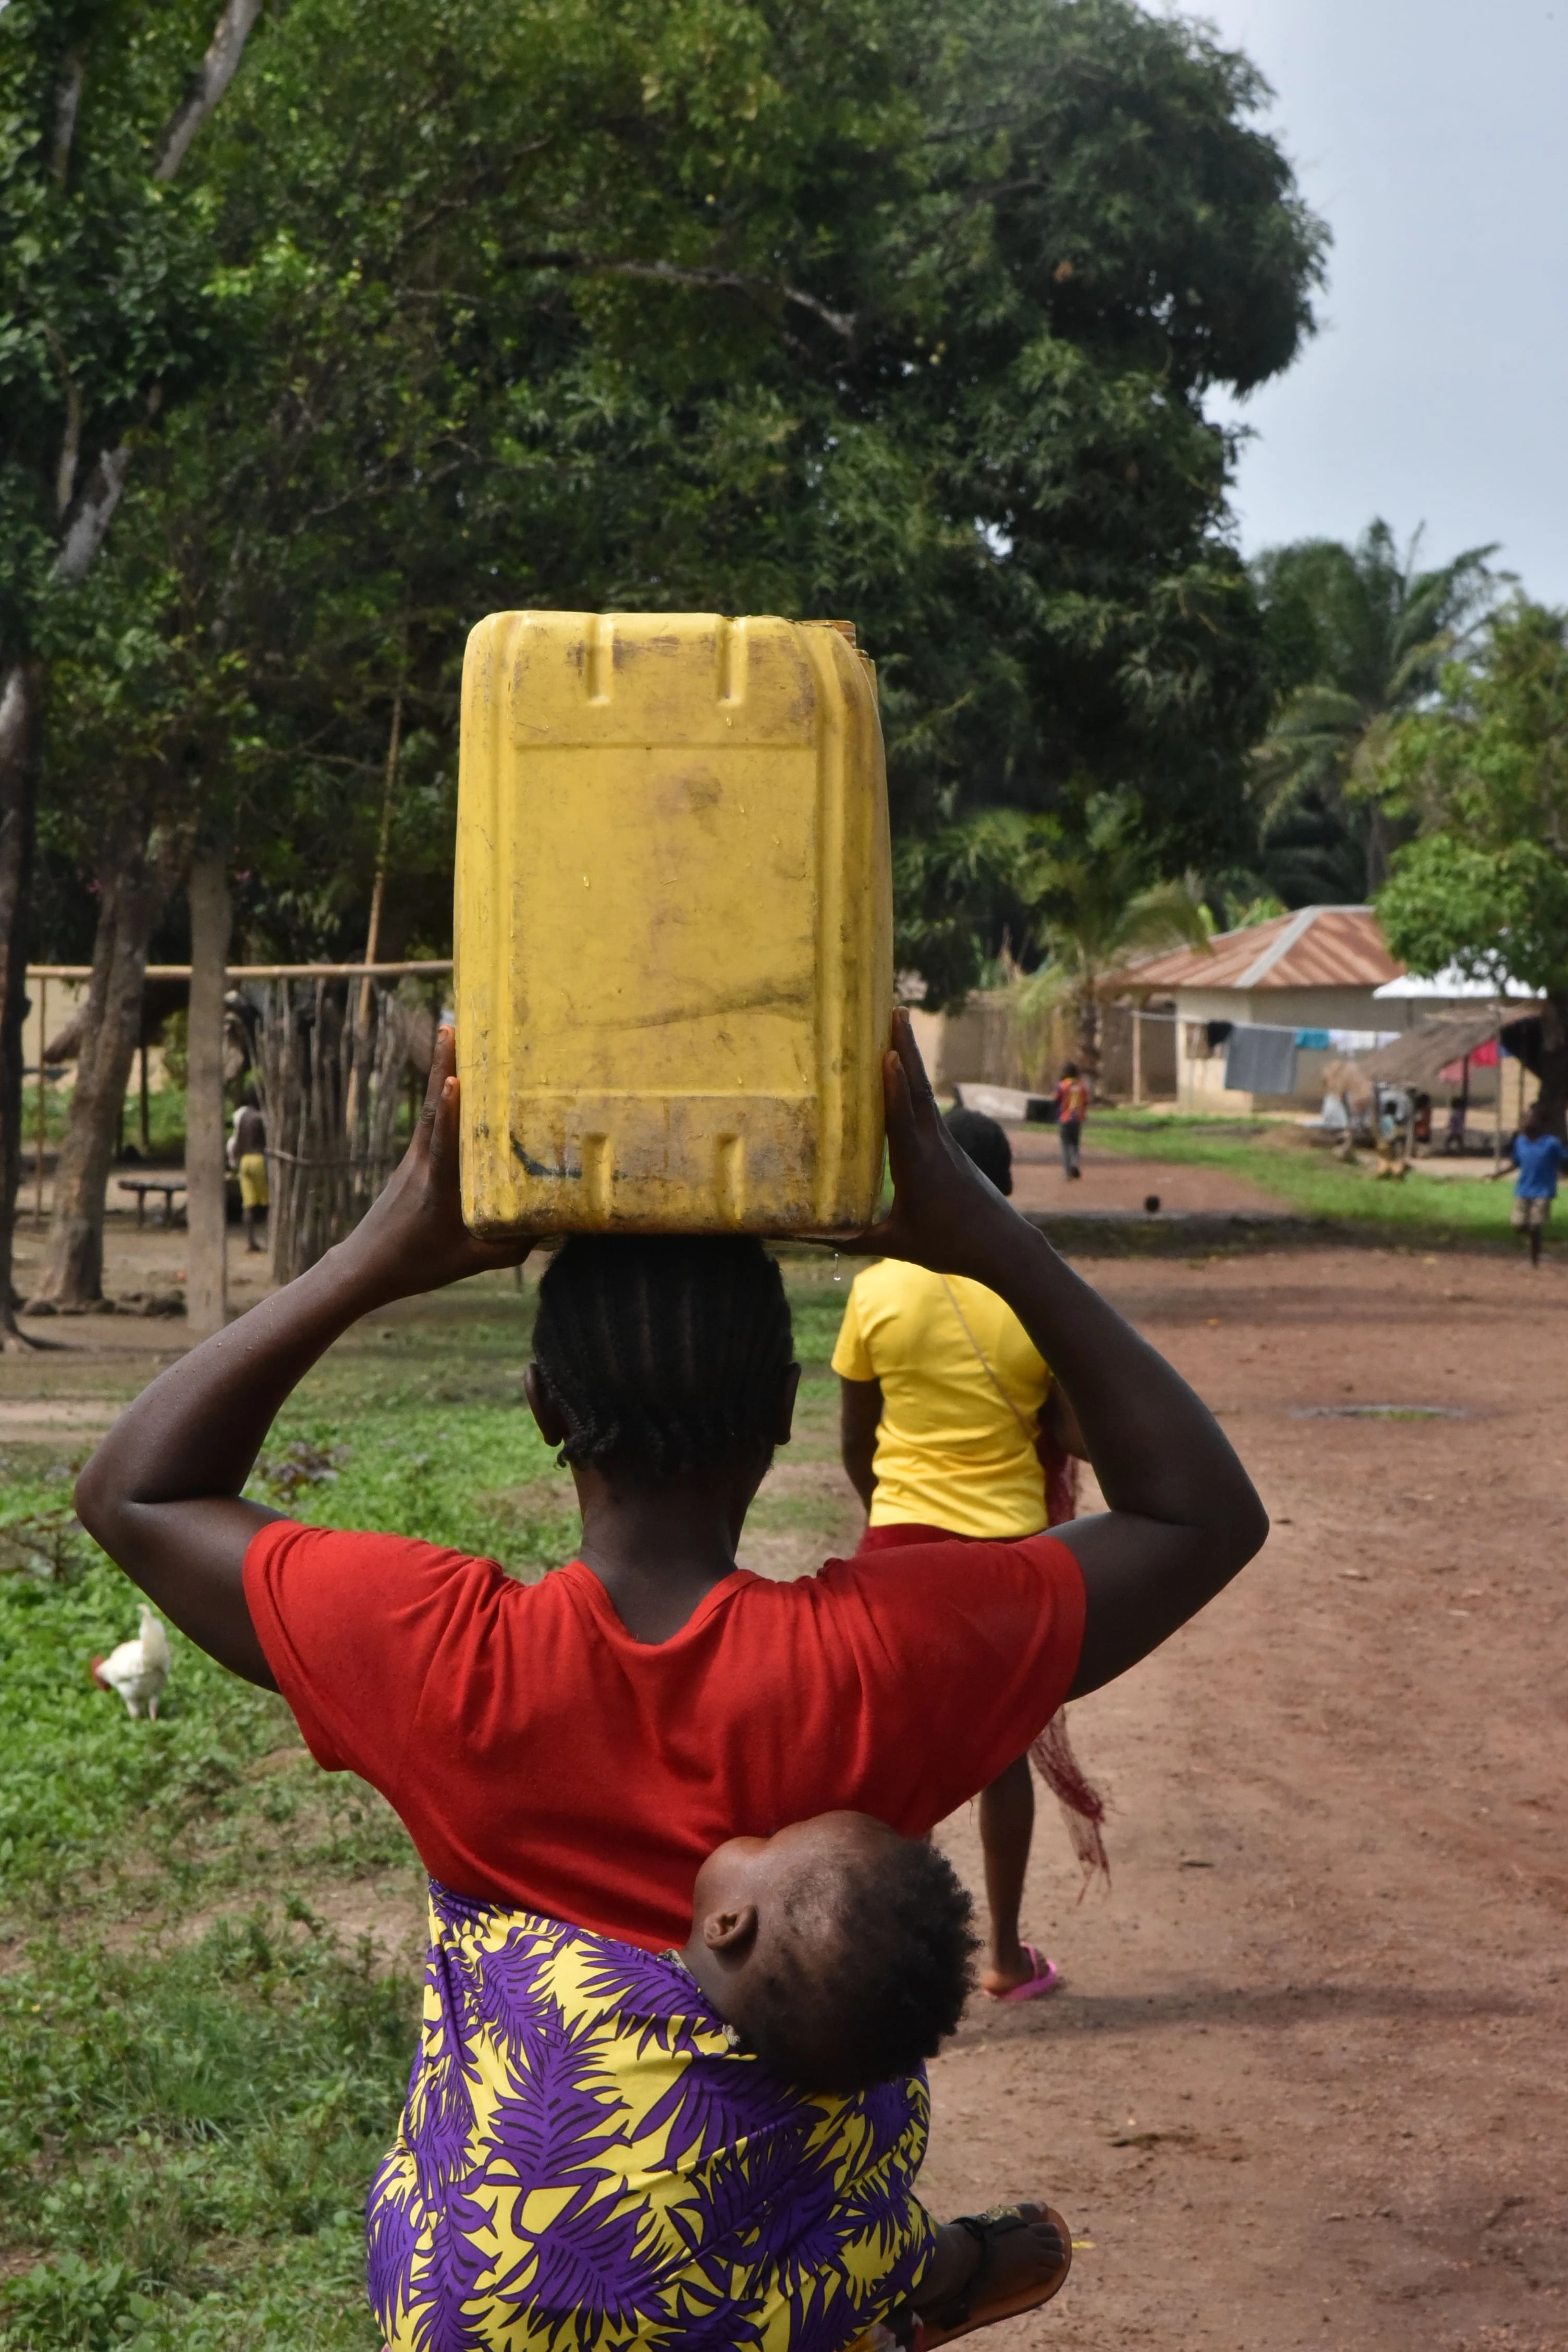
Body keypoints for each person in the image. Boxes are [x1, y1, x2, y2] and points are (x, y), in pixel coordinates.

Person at [75, 1018, 1268, 2352]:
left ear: (539, 1406)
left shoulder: (438, 1656)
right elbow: (1198, 1517)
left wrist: (377, 1255)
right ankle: (904, 2277)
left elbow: (134, 1487)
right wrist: (988, 1236)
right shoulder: (886, 1662)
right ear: (779, 1412)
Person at [834, 1107, 1093, 2003]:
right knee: (1000, 1756)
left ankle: (890, 1959)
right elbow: (1073, 1427)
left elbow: (855, 1441)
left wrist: (894, 1520)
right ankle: (1006, 1956)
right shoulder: (1033, 1287)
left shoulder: (875, 1290)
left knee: (896, 1755)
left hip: (898, 1544)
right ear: (1005, 1187)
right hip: (1015, 1551)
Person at [1488, 1097, 1568, 1268]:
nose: (1526, 1123)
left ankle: (1534, 1260)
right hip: (1523, 1189)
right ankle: (1536, 1246)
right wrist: (1497, 1174)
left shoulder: (1551, 1143)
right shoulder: (1520, 1142)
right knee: (1518, 1224)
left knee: (1536, 1225)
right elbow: (1516, 1163)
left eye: (1530, 1119)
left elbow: (1564, 1159)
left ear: (1540, 1123)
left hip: (1543, 1191)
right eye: (1524, 1120)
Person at [227, 1087, 270, 1253]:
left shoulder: (243, 1118)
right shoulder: (260, 1119)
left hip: (244, 1161)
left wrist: (233, 1162)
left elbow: (236, 1142)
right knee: (267, 1204)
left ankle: (250, 1241)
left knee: (248, 1204)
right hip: (258, 1160)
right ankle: (268, 1240)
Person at [1055, 1063, 1088, 1180]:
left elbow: (1055, 1099)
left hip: (1065, 1118)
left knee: (1065, 1146)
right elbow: (1086, 1102)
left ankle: (1068, 1172)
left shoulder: (1062, 1086)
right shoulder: (1082, 1087)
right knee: (1075, 1145)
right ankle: (1075, 1164)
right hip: (1077, 1119)